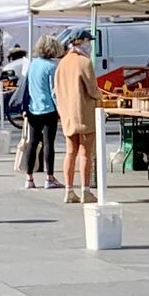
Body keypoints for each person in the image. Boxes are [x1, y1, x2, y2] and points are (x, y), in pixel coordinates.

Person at [54, 27, 100, 203]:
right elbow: (93, 90)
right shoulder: (84, 62)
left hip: (67, 112)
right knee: (86, 153)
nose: (90, 45)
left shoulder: (62, 63)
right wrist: (101, 96)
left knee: (70, 152)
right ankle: (86, 191)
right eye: (88, 41)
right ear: (82, 42)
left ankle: (69, 190)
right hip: (84, 112)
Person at [22, 35, 65, 191]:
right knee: (48, 144)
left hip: (33, 107)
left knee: (32, 143)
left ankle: (29, 178)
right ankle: (49, 177)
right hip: (48, 108)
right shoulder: (52, 67)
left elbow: (27, 86)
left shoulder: (33, 64)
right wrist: (60, 109)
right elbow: (54, 91)